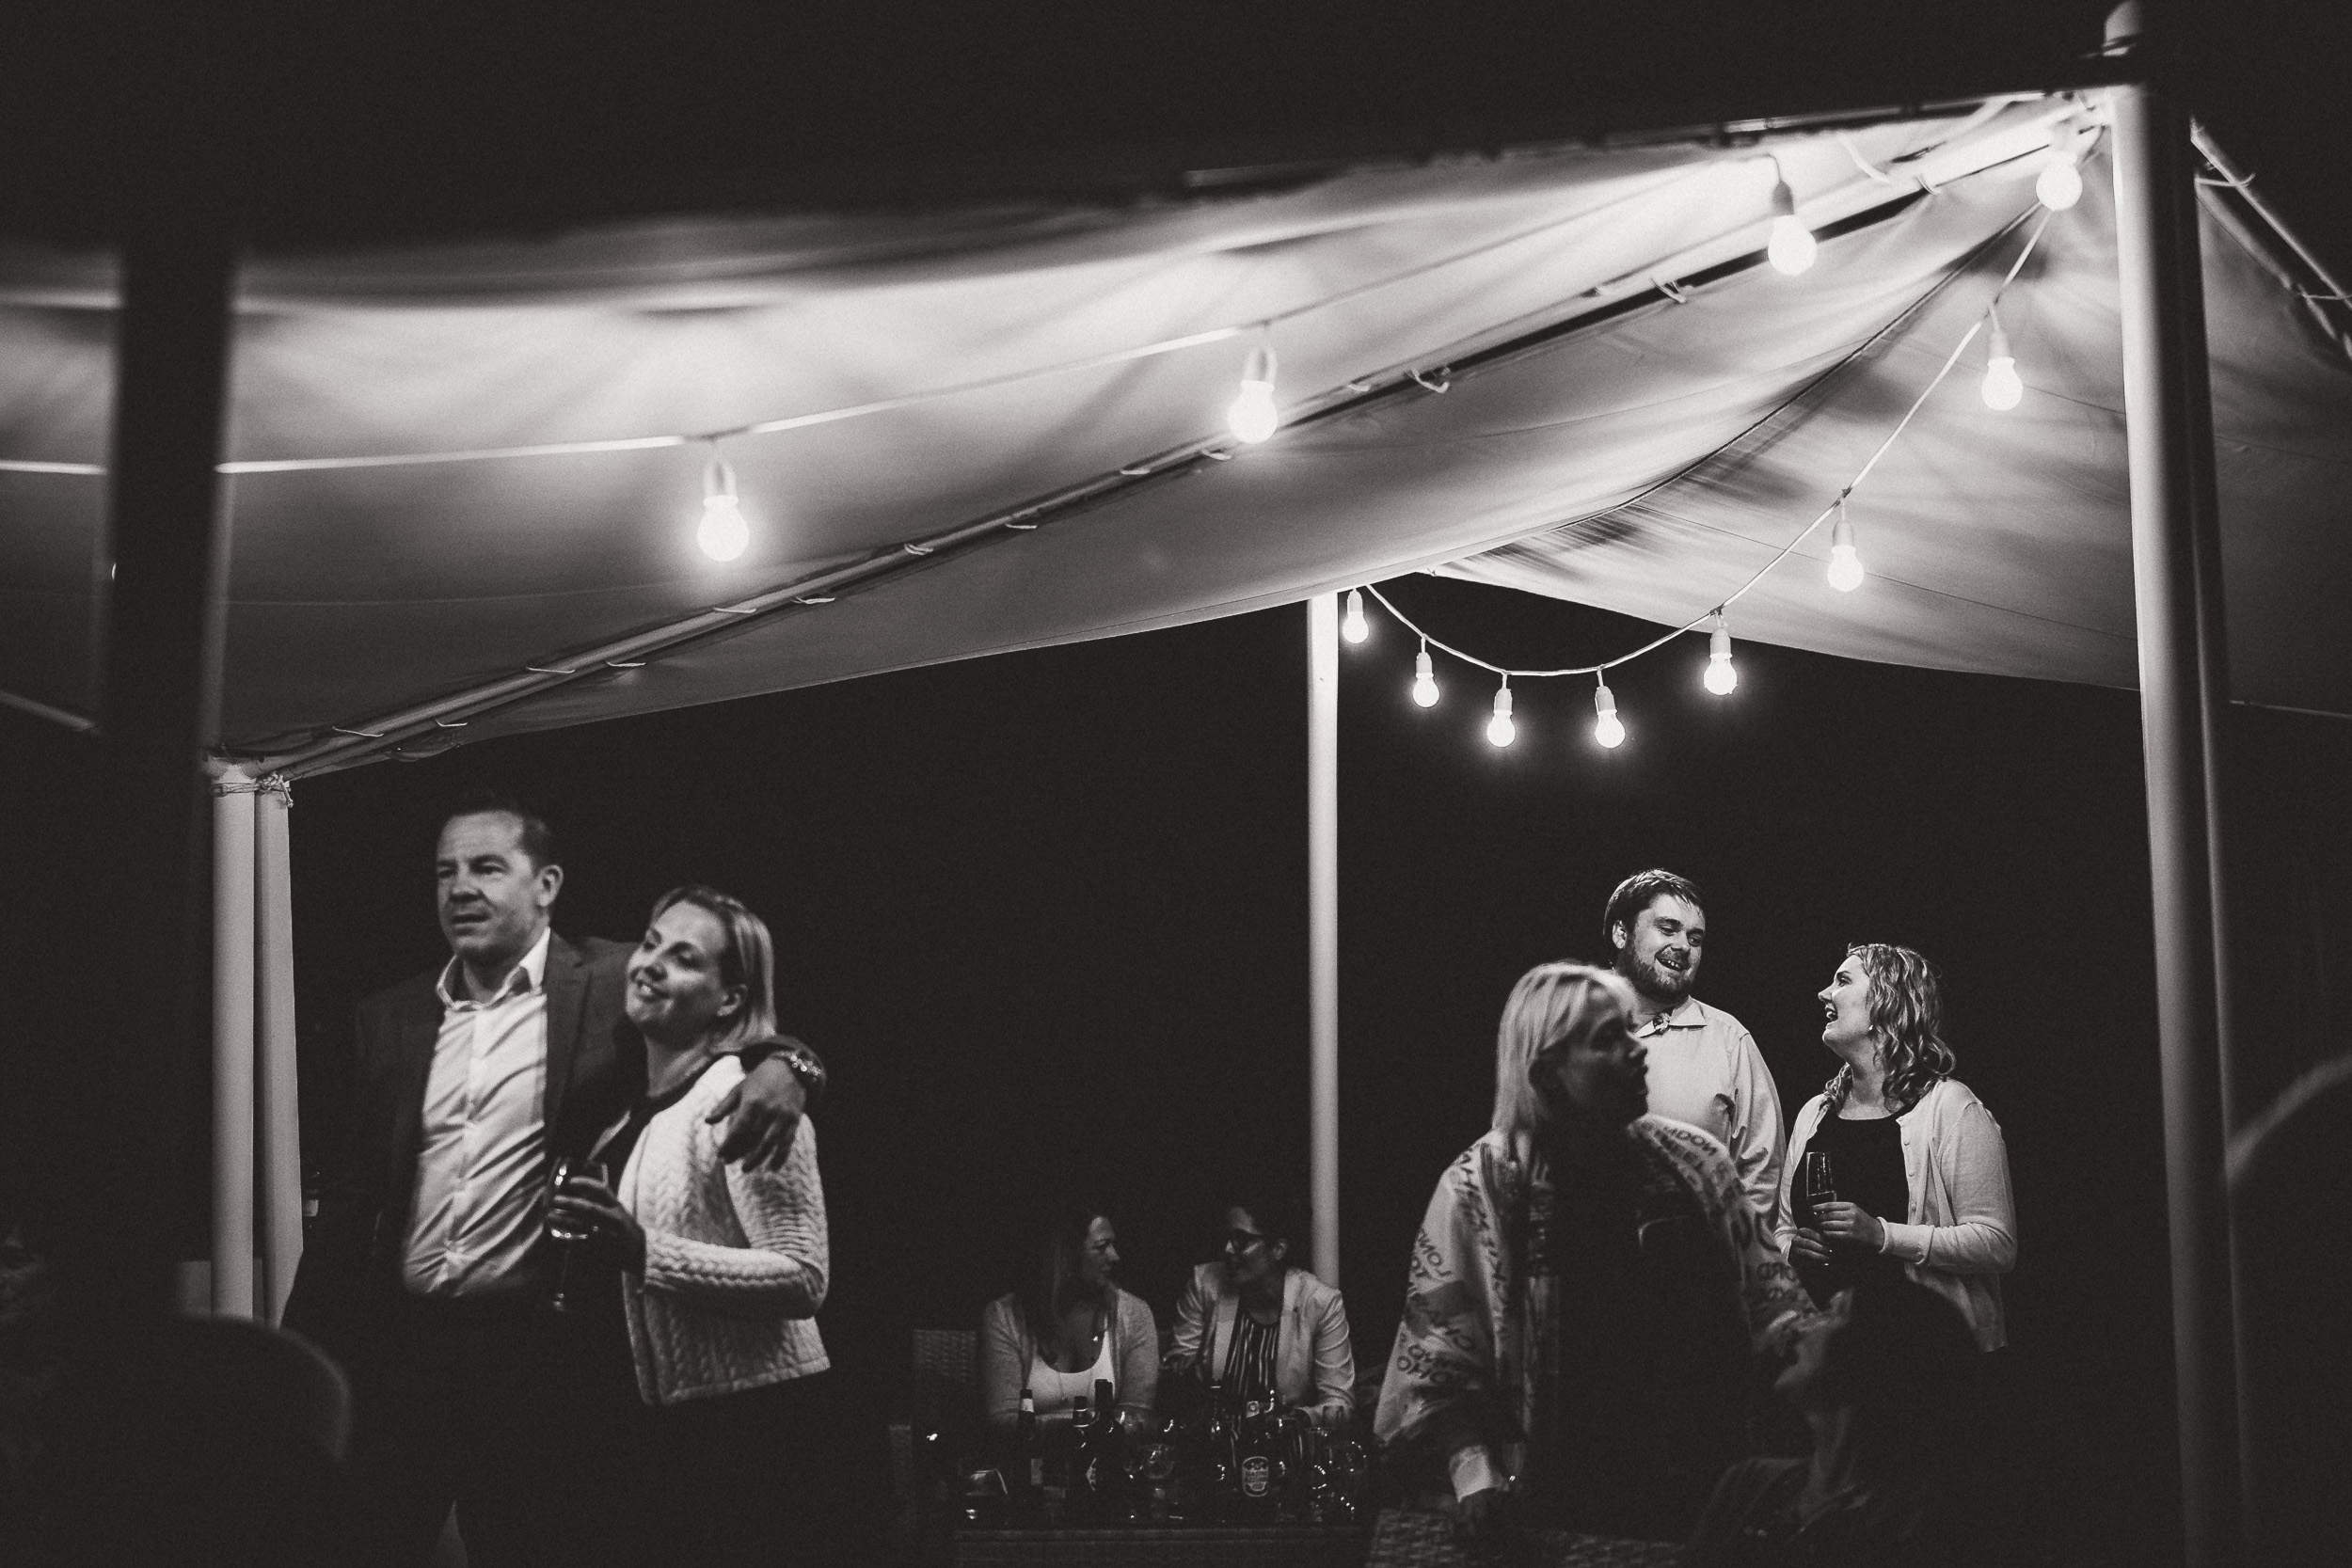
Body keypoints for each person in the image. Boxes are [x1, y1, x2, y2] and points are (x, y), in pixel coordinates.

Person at [283, 792, 826, 1568]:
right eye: (446, 871)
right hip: (403, 1352)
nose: (460, 887)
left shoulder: (610, 980)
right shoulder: (392, 1015)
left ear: (547, 885)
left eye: (486, 867)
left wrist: (792, 1065)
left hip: (533, 1358)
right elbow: (350, 1202)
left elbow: (734, 1007)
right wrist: (299, 1352)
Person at [1375, 962, 1813, 1544]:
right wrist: (1476, 1478)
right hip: (1553, 1512)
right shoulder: (1482, 1186)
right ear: (1548, 1073)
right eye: (1608, 1040)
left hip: (1707, 1501)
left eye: (1631, 1032)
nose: (1636, 1052)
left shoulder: (1697, 1163)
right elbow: (1435, 1366)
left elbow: (1773, 1304)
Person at [548, 885, 830, 1568]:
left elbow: (803, 1277)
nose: (649, 964)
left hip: (739, 1441)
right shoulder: (616, 1108)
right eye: (649, 943)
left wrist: (646, 1251)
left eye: (683, 957)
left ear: (729, 998)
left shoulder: (747, 1102)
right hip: (637, 1437)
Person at [1777, 944, 2016, 1349]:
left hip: (1924, 1354)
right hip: (1832, 1356)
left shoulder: (1950, 1107)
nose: (1823, 994)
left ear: (1886, 1003)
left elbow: (1996, 1244)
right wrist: (1791, 1248)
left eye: (1842, 981)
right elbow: (1782, 1229)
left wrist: (1881, 1234)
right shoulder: (1814, 1113)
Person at [1684, 1275, 1987, 1567]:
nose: (1797, 1328)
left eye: (1831, 1312)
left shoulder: (1922, 1524)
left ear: (1881, 1350)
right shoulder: (1747, 1483)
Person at [1602, 870, 1787, 1229]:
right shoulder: (1572, 1028)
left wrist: (1738, 1259)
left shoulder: (1729, 1041)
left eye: (1695, 938)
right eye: (1668, 929)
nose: (1684, 946)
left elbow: (1763, 1171)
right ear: (1621, 933)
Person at [1166, 1190, 1355, 1427]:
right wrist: (1186, 1372)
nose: (1227, 1249)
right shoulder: (1205, 1284)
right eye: (1227, 1237)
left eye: (1241, 1240)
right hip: (1218, 1437)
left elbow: (1339, 1404)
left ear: (1278, 1249)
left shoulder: (1320, 1302)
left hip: (1287, 1441)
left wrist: (1293, 1420)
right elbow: (1180, 1366)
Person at [979, 1203, 1159, 1436]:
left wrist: (1076, 1433)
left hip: (1106, 1458)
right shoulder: (1005, 1316)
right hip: (1030, 1460)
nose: (1115, 1256)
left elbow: (1138, 1415)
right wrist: (1080, 1430)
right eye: (1102, 1247)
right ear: (1066, 1255)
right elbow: (1001, 1419)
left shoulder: (1133, 1313)